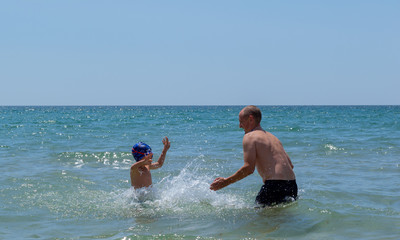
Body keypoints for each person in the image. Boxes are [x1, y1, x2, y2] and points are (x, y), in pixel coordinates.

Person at [210, 105, 297, 206]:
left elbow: (249, 169)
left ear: (250, 119)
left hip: (274, 185)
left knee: (259, 219)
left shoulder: (250, 136)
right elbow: (290, 165)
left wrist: (225, 182)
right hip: (292, 185)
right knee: (279, 219)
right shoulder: (274, 138)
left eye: (241, 121)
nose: (239, 125)